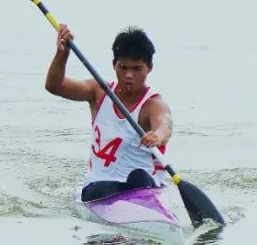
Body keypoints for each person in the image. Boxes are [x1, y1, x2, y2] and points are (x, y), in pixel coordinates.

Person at [45, 24, 171, 202]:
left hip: (143, 188)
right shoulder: (99, 92)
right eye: (123, 67)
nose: (128, 75)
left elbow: (164, 125)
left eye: (136, 69)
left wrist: (157, 136)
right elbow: (54, 86)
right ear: (114, 65)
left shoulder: (153, 104)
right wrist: (62, 54)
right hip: (98, 188)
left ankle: (137, 196)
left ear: (149, 67)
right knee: (104, 189)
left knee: (139, 178)